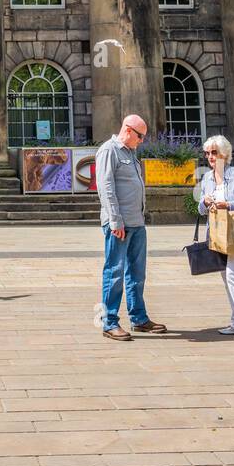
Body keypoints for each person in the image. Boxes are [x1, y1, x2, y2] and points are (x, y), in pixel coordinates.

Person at [95, 115, 168, 341]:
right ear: (128, 130)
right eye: (140, 136)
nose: (142, 141)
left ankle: (138, 318)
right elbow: (105, 187)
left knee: (137, 273)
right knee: (114, 272)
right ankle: (109, 323)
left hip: (136, 222)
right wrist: (115, 221)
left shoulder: (130, 153)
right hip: (120, 224)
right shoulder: (109, 150)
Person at [199, 135, 234, 341]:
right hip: (217, 235)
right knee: (227, 278)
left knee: (233, 275)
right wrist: (205, 202)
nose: (210, 157)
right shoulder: (207, 178)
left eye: (214, 153)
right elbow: (200, 209)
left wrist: (228, 205)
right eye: (207, 153)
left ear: (225, 154)